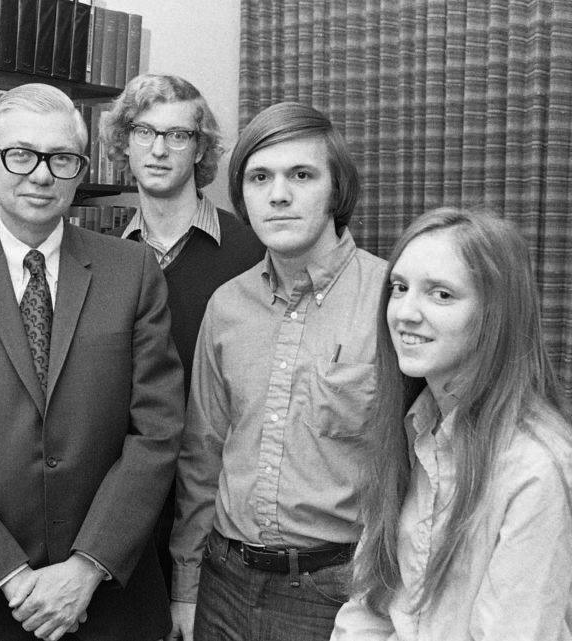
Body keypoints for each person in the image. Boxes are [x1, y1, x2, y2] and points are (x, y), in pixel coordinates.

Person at [0, 83, 185, 641]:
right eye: (20, 155)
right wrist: (9, 574)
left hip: (108, 604)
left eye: (61, 158)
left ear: (80, 170)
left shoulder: (134, 271)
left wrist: (87, 567)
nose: (41, 175)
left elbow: (157, 431)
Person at [168, 102, 388, 641]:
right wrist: (186, 585)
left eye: (302, 175)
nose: (279, 194)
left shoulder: (391, 300)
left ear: (336, 190)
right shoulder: (228, 305)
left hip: (336, 593)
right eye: (260, 177)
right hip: (222, 582)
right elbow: (202, 455)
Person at [331, 207, 572, 640]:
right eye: (399, 288)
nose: (404, 312)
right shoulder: (413, 427)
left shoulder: (536, 467)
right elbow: (370, 605)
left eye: (441, 294)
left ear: (495, 314)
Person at [100, 73, 265, 591]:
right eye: (145, 132)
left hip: (224, 501)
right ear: (124, 143)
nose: (158, 149)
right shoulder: (99, 258)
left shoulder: (253, 251)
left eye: (178, 135)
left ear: (200, 150)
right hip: (121, 497)